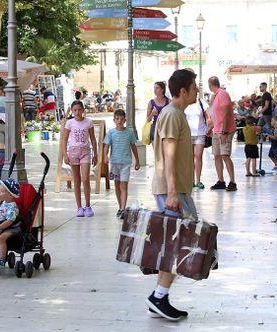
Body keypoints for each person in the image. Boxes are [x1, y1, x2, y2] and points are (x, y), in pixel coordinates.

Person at [148, 68, 199, 321]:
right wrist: (172, 193)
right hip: (172, 189)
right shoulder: (171, 114)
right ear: (183, 91)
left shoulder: (176, 114)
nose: (197, 91)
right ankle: (158, 297)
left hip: (177, 188)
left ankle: (160, 296)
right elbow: (168, 155)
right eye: (194, 87)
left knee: (178, 243)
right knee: (178, 244)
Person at [61, 101, 98, 217]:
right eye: (75, 110)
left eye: (79, 110)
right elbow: (64, 140)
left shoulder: (89, 122)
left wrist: (95, 154)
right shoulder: (69, 123)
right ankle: (79, 207)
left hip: (86, 152)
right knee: (76, 180)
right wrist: (65, 155)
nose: (77, 112)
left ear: (83, 110)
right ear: (72, 111)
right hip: (73, 153)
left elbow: (93, 139)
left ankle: (88, 206)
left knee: (85, 179)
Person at [102, 110, 141, 219]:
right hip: (114, 164)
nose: (119, 121)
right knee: (117, 185)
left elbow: (133, 146)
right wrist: (105, 156)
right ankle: (120, 207)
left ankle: (123, 209)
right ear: (114, 120)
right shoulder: (111, 133)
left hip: (126, 163)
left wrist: (137, 160)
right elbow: (106, 146)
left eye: (121, 119)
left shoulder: (129, 132)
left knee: (123, 185)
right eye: (117, 119)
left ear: (125, 120)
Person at [208, 76, 237, 192]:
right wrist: (211, 127)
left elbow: (226, 114)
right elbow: (216, 116)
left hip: (225, 130)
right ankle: (221, 180)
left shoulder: (223, 94)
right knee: (217, 155)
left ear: (210, 84)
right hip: (217, 129)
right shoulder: (215, 96)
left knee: (225, 155)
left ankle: (232, 181)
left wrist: (224, 131)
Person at [184, 97, 210, 189]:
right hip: (187, 134)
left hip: (200, 133)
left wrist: (209, 127)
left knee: (198, 156)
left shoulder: (201, 102)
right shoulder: (185, 101)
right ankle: (191, 181)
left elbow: (208, 117)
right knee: (189, 157)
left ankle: (198, 180)